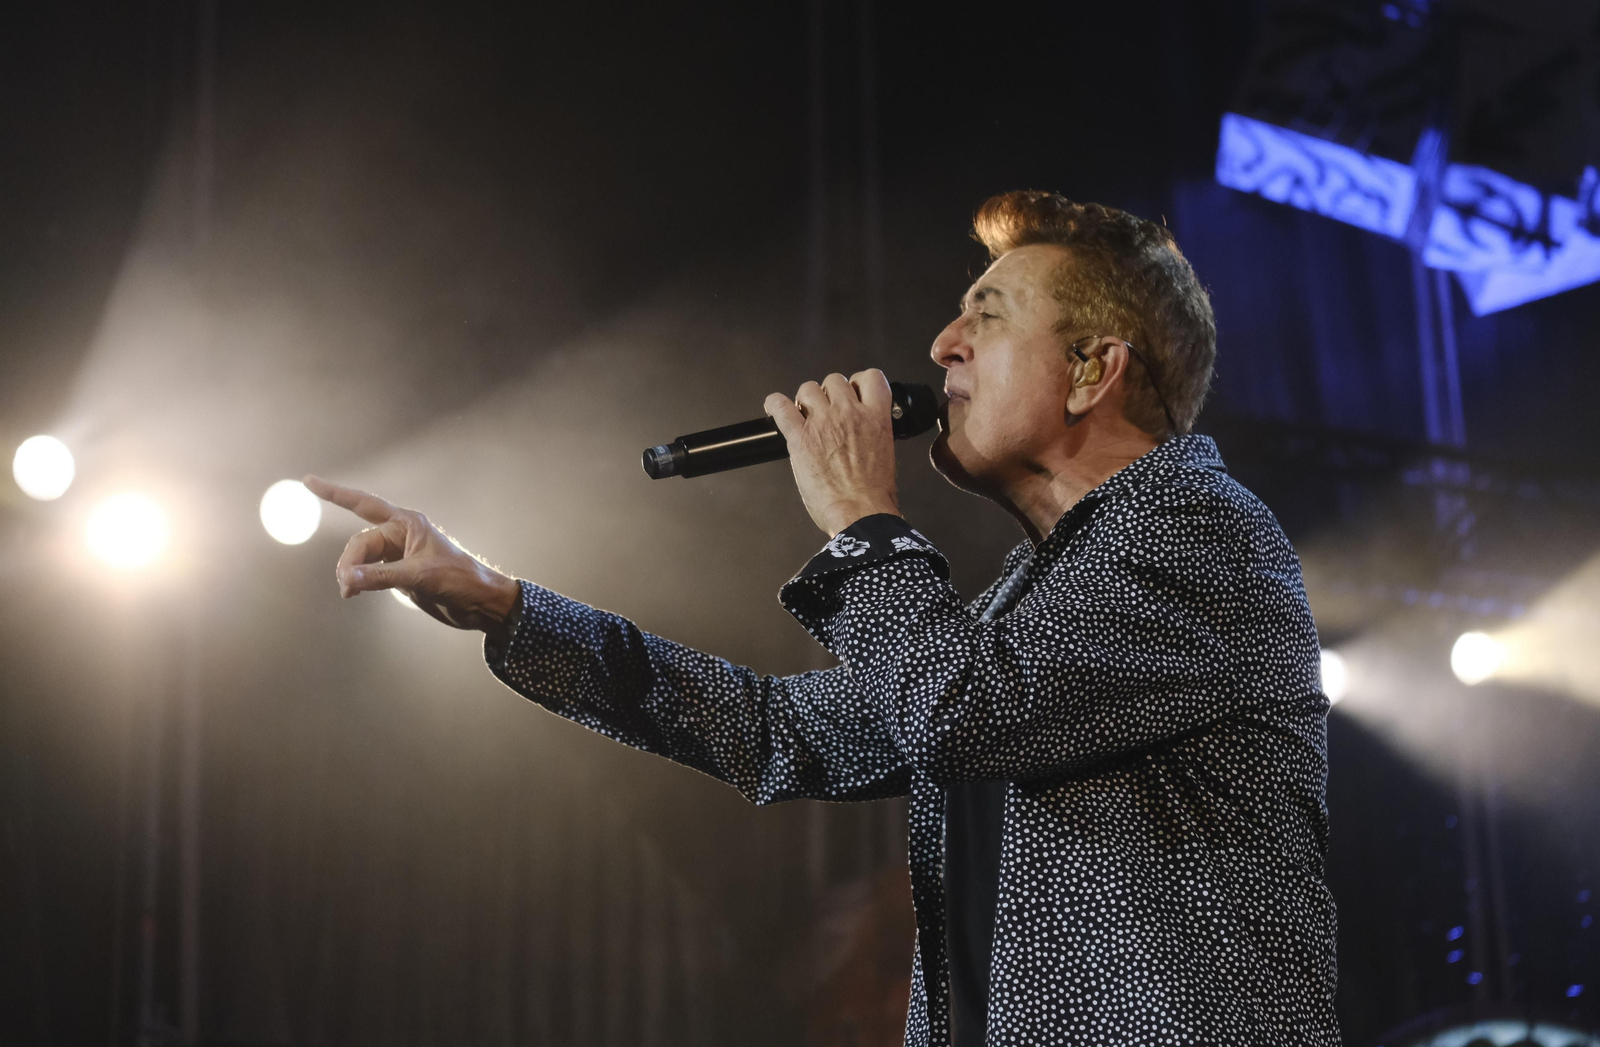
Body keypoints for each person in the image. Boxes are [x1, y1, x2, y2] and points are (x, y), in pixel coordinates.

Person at [307, 190, 1340, 1047]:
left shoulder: (1201, 536)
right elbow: (778, 731)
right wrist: (507, 608)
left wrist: (859, 515)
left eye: (986, 314)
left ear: (1091, 369)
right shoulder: (1029, 605)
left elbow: (962, 712)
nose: (940, 345)